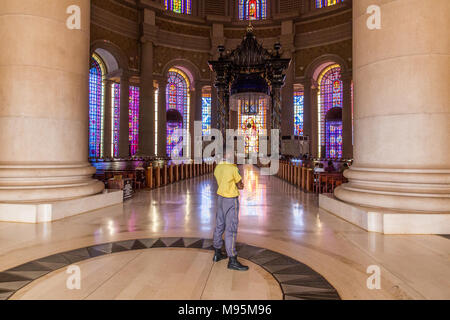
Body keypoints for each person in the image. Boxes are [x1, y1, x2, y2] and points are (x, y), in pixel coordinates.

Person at [212, 149, 248, 271]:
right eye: (234, 155)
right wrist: (242, 185)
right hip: (230, 199)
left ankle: (217, 253)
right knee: (231, 228)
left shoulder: (218, 167)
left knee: (219, 225)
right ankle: (232, 259)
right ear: (229, 156)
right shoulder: (233, 168)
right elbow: (240, 184)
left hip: (220, 198)